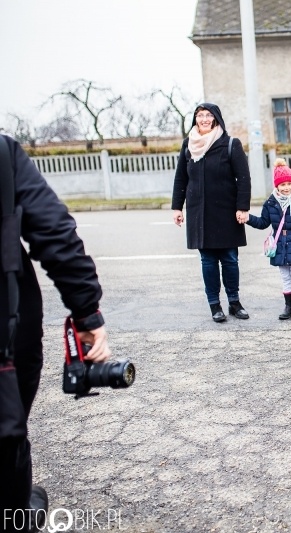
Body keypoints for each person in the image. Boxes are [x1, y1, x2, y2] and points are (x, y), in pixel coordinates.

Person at [1, 134, 111, 530]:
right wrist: (87, 314)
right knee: (6, 429)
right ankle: (14, 514)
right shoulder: (3, 153)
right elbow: (53, 230)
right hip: (7, 334)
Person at [172, 103, 252, 323]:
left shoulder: (230, 144)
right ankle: (214, 305)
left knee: (230, 260)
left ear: (216, 118)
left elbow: (243, 178)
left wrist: (242, 207)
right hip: (199, 213)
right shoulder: (188, 144)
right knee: (208, 261)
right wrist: (177, 207)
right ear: (195, 119)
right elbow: (181, 178)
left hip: (226, 212)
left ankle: (234, 302)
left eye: (208, 115)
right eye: (200, 115)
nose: (204, 119)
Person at [245, 158, 291, 321]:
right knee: (285, 276)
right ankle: (289, 307)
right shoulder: (271, 203)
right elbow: (263, 222)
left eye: (289, 184)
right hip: (279, 245)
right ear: (277, 186)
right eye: (283, 184)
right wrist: (248, 218)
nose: (286, 188)